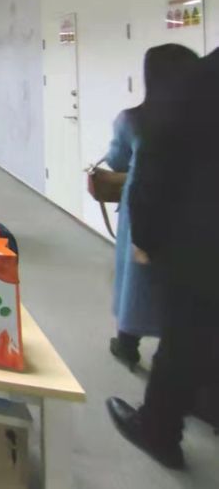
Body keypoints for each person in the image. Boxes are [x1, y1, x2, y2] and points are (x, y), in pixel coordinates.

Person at [107, 45, 218, 469]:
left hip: (196, 235)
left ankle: (160, 428)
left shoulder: (193, 87)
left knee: (186, 332)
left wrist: (147, 237)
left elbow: (154, 169)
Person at [105, 45, 198, 371]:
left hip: (144, 208)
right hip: (194, 209)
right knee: (187, 283)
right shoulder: (204, 120)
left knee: (138, 277)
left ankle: (127, 343)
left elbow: (117, 161)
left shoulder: (133, 119)